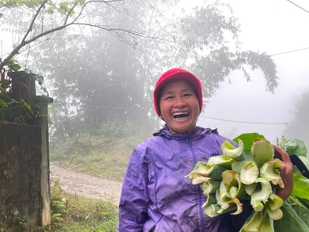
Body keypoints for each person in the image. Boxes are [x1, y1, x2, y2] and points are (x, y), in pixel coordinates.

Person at [118, 68, 294, 232]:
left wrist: (280, 192)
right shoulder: (145, 153)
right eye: (169, 97)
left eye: (187, 94)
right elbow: (131, 214)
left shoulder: (226, 148)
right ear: (160, 110)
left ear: (199, 104)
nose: (179, 103)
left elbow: (241, 213)